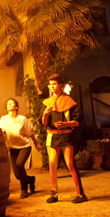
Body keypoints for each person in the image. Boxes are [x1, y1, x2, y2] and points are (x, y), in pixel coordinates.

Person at [37, 72, 88, 204]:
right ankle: (54, 193)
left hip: (66, 135)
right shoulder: (47, 102)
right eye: (50, 85)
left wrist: (65, 123)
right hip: (52, 136)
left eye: (54, 84)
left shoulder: (69, 101)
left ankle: (81, 194)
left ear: (60, 85)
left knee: (70, 164)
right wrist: (45, 114)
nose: (52, 87)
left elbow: (77, 122)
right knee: (52, 164)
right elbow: (43, 123)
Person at [0, 98, 41, 198]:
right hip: (12, 147)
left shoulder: (22, 119)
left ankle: (24, 189)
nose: (10, 104)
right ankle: (30, 180)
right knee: (17, 175)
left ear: (16, 107)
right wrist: (2, 133)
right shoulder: (4, 119)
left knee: (19, 163)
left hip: (24, 146)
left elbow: (30, 132)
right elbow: (0, 130)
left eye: (12, 103)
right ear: (6, 107)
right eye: (8, 103)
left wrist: (36, 144)